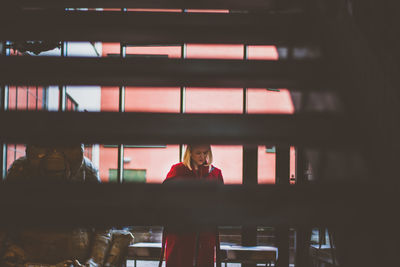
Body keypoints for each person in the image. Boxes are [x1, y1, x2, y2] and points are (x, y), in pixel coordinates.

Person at [161, 144, 223, 267]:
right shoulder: (178, 170)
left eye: (205, 153)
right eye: (198, 153)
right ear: (190, 153)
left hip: (205, 232)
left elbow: (220, 202)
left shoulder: (215, 173)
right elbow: (165, 197)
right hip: (180, 232)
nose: (202, 156)